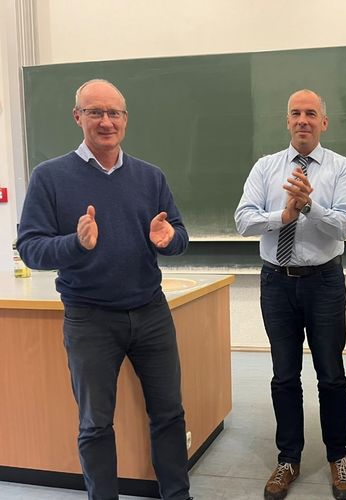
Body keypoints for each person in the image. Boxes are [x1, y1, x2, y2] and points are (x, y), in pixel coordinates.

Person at [17, 79, 193, 500]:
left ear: (126, 120)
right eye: (95, 112)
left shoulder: (150, 177)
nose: (106, 121)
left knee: (169, 414)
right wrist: (75, 243)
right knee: (95, 423)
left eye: (114, 112)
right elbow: (30, 248)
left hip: (150, 311)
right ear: (77, 117)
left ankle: (177, 495)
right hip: (90, 317)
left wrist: (169, 239)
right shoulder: (50, 177)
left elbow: (181, 234)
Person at [235, 89, 346, 500]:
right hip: (276, 282)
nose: (303, 120)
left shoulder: (340, 168)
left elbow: (344, 225)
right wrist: (283, 215)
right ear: (287, 122)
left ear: (324, 122)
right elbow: (243, 220)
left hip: (324, 281)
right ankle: (288, 457)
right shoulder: (265, 167)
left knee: (331, 374)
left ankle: (338, 455)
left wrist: (308, 208)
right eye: (295, 113)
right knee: (284, 375)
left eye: (311, 114)